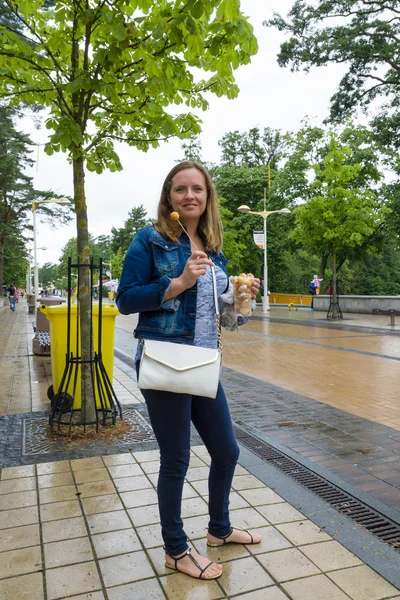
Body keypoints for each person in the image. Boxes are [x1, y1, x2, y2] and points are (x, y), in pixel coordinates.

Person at [117, 161, 262, 581]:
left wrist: (241, 297)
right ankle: (176, 551)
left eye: (197, 188)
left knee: (227, 450)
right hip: (165, 360)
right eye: (180, 189)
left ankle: (218, 529)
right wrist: (177, 283)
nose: (189, 196)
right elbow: (126, 300)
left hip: (203, 362)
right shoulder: (149, 240)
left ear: (207, 196)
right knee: (177, 457)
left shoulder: (214, 249)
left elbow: (229, 319)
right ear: (169, 197)